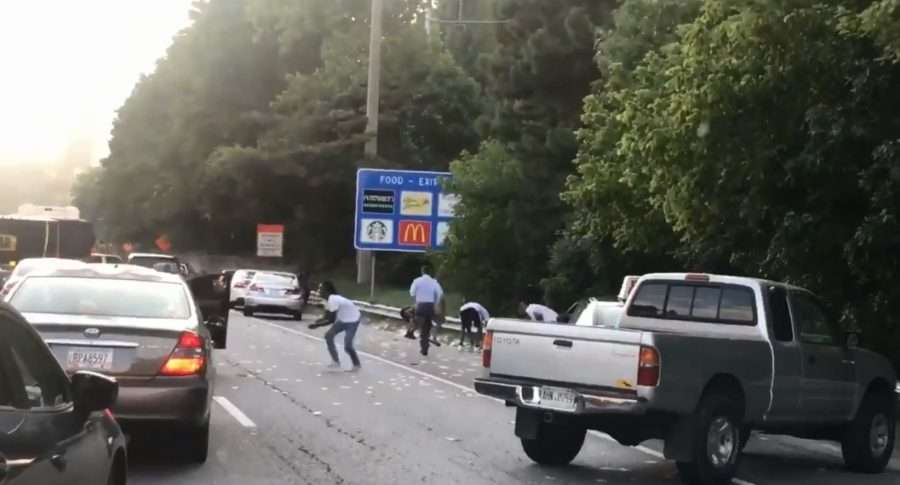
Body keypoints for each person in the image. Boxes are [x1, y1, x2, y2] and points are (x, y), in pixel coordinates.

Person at [308, 281, 361, 372]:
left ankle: (356, 364)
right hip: (343, 319)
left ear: (326, 290)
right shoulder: (328, 300)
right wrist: (319, 321)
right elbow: (327, 316)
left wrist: (317, 325)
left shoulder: (333, 299)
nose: (318, 291)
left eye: (321, 289)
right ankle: (336, 361)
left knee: (348, 345)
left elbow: (331, 320)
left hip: (353, 320)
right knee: (328, 335)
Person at [409, 263, 443, 356]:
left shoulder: (416, 281)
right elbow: (440, 293)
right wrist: (436, 302)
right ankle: (426, 343)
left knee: (421, 326)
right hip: (430, 307)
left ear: (422, 271)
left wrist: (416, 301)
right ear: (430, 272)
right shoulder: (434, 282)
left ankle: (422, 343)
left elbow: (412, 293)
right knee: (427, 327)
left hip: (420, 306)